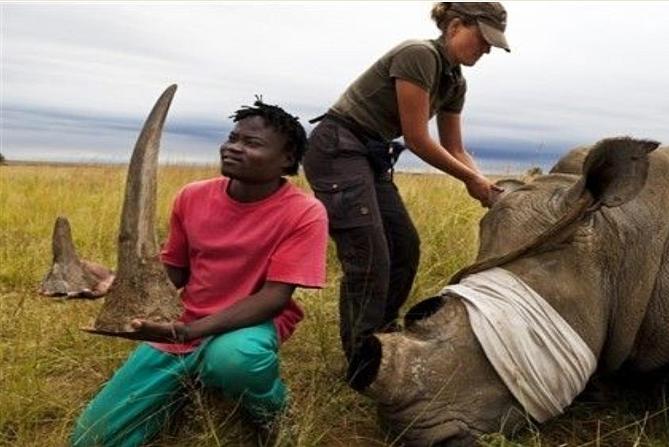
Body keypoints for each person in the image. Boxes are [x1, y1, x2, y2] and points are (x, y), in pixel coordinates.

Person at [71, 99, 328, 447]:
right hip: (184, 325)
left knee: (232, 360)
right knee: (91, 438)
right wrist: (120, 284)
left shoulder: (305, 212)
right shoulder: (192, 196)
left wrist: (186, 331)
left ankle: (273, 415)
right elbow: (175, 270)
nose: (233, 148)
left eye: (251, 143)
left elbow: (273, 298)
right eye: (232, 137)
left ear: (286, 159)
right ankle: (185, 391)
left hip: (248, 326)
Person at [303, 2, 510, 373]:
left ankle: (380, 338)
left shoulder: (455, 82)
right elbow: (417, 138)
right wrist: (470, 179)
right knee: (369, 259)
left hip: (371, 156)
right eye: (483, 39)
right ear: (456, 26)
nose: (487, 49)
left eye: (493, 43)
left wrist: (485, 185)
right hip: (339, 147)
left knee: (405, 247)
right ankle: (363, 364)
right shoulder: (418, 55)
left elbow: (455, 147)